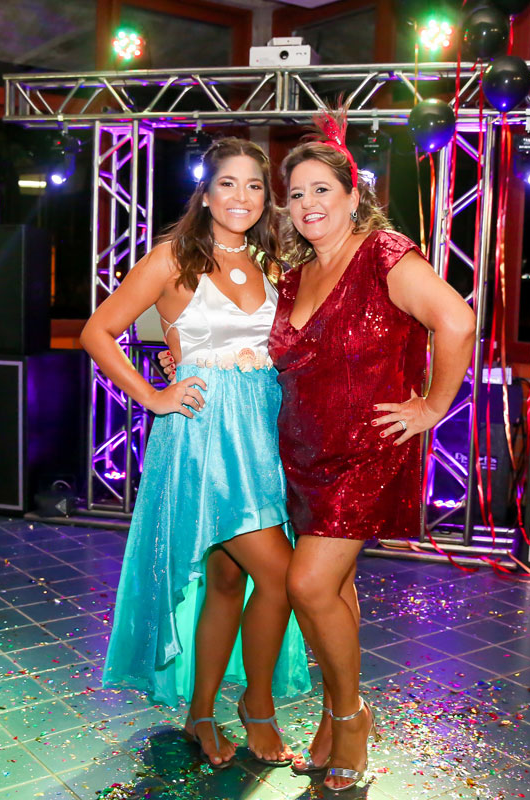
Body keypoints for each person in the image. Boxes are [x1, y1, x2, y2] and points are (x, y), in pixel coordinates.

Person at [80, 137, 308, 769]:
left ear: (267, 198)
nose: (242, 196)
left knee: (229, 580)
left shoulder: (272, 262)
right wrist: (154, 396)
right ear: (205, 194)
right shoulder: (171, 258)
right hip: (204, 439)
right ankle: (256, 706)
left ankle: (200, 714)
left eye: (255, 185)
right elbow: (97, 331)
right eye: (228, 183)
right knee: (281, 577)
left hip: (263, 434)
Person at [268, 111, 476, 791]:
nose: (308, 204)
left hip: (365, 449)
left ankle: (351, 717)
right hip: (303, 454)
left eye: (322, 190)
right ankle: (335, 719)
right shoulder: (296, 276)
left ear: (354, 196)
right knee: (335, 589)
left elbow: (457, 320)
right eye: (297, 194)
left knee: (308, 585)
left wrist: (433, 406)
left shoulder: (383, 252)